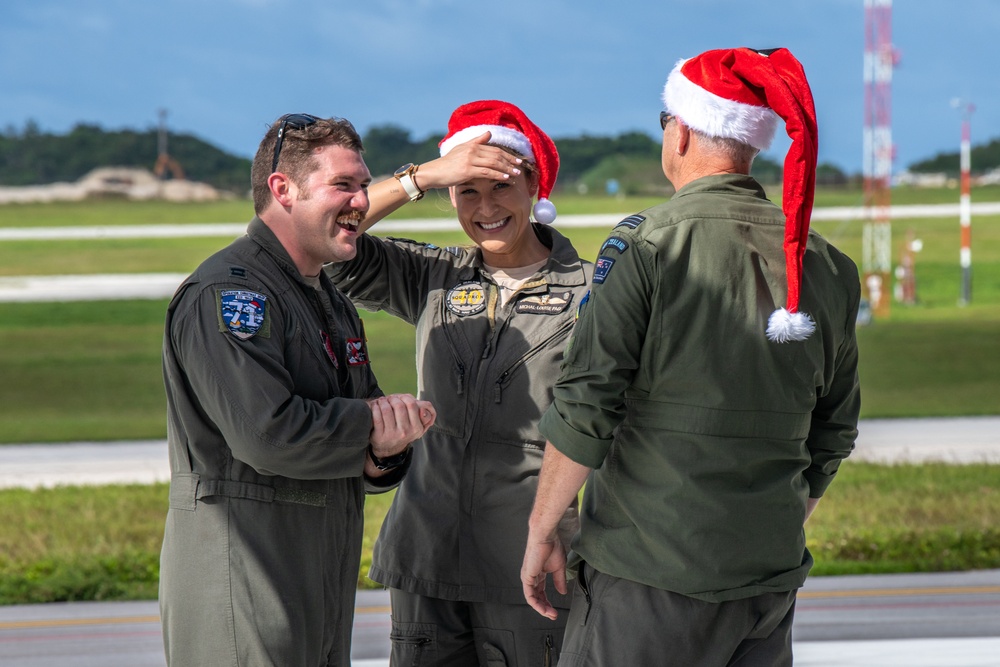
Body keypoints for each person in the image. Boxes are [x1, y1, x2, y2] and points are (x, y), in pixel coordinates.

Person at [521, 47, 862, 666]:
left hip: (648, 574)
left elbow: (585, 406)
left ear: (679, 132)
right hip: (765, 580)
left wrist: (542, 529)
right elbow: (833, 431)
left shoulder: (646, 244)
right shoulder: (829, 265)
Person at [159, 113, 436, 666]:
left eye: (362, 185)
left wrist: (387, 453)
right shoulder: (230, 295)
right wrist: (373, 428)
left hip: (318, 585)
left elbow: (366, 433)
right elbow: (269, 435)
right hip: (246, 584)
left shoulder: (328, 300)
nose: (361, 201)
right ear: (282, 190)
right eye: (343, 185)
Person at [326, 100, 592, 666]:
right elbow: (328, 239)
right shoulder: (433, 276)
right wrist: (420, 177)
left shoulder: (594, 294)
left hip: (531, 563)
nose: (485, 208)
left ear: (535, 186)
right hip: (428, 561)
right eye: (467, 190)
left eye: (501, 187)